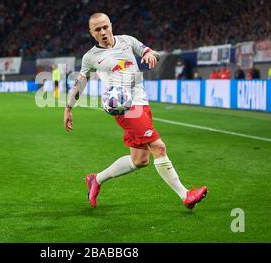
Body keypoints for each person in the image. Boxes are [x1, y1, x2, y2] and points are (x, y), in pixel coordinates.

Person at [63, 13, 208, 210]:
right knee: (159, 147)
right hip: (124, 108)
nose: (103, 32)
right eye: (97, 30)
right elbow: (80, 82)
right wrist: (68, 108)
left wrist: (150, 55)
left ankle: (96, 179)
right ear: (91, 33)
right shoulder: (90, 57)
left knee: (139, 160)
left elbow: (153, 53)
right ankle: (186, 195)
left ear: (111, 25)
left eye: (105, 27)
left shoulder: (127, 41)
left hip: (142, 102)